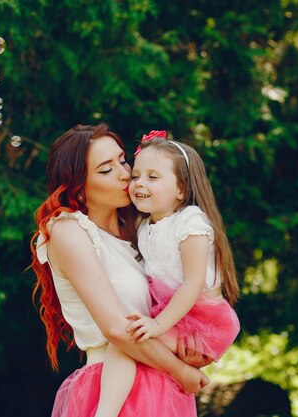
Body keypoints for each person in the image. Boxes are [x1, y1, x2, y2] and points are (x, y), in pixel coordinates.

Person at [30, 123, 211, 417]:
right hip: (113, 389)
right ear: (77, 184)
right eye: (105, 170)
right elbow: (116, 328)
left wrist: (188, 347)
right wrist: (180, 370)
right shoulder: (68, 230)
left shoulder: (143, 232)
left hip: (163, 386)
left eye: (122, 160)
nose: (125, 174)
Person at [94, 130, 241, 417]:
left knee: (127, 341)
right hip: (173, 316)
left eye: (152, 177)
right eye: (136, 175)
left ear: (182, 190)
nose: (138, 183)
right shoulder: (143, 227)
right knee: (129, 345)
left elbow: (193, 284)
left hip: (202, 321)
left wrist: (157, 325)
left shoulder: (191, 223)